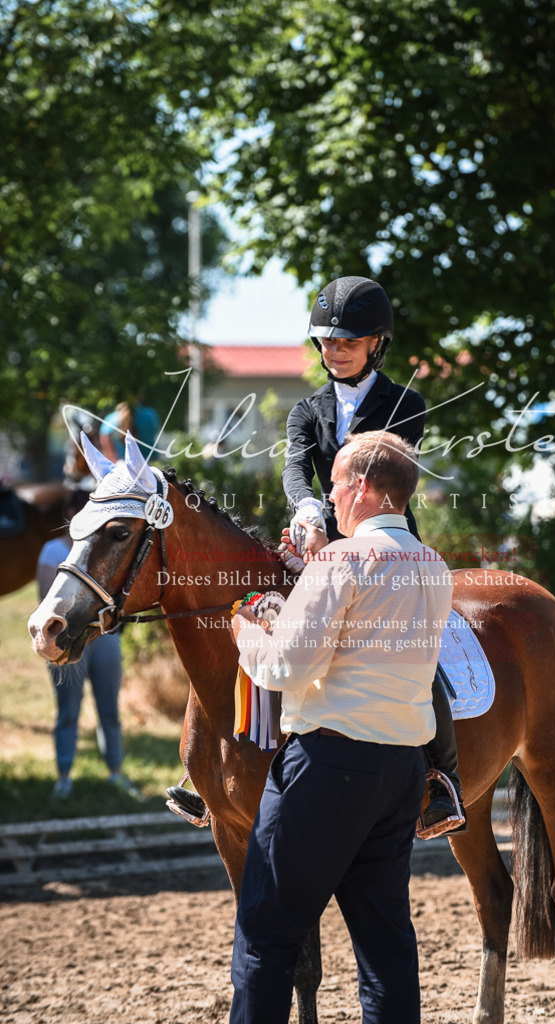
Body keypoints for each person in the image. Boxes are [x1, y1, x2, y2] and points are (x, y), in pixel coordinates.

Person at [169, 276, 466, 834]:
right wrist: (306, 511)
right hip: (316, 539)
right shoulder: (306, 408)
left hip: (385, 545)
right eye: (326, 342)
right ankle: (210, 768)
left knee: (428, 655)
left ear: (377, 344)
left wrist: (331, 536)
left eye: (347, 343)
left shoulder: (406, 403)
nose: (333, 352)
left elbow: (373, 471)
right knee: (253, 611)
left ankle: (438, 779)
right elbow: (293, 468)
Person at [229, 431, 454, 1024]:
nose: (329, 497)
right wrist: (318, 566)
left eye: (334, 485)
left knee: (265, 933)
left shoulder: (341, 560)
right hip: (402, 770)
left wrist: (245, 628)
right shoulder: (433, 566)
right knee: (385, 946)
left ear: (360, 486)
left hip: (327, 768)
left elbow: (283, 668)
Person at [36, 490, 139, 799]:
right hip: (68, 642)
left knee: (110, 710)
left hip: (104, 638)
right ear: (69, 514)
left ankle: (116, 773)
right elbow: (44, 601)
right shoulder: (52, 551)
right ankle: (64, 777)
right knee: (68, 710)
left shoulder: (102, 550)